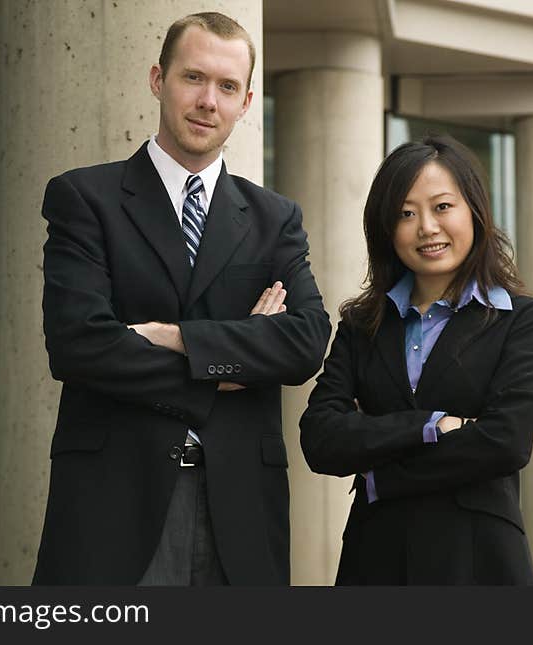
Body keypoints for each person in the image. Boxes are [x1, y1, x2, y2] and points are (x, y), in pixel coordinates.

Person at [33, 12, 330, 586]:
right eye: (193, 78)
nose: (207, 102)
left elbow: (304, 342)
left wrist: (176, 340)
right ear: (157, 79)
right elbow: (78, 344)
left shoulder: (275, 219)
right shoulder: (84, 198)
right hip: (114, 501)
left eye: (225, 87)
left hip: (240, 505)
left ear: (246, 103)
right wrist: (234, 359)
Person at [299, 135, 533, 585]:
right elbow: (321, 439)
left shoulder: (522, 320)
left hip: (478, 560)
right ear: (386, 228)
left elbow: (507, 441)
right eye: (406, 213)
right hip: (375, 559)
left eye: (442, 207)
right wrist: (432, 426)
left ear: (473, 210)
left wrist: (379, 475)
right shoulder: (362, 325)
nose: (427, 228)